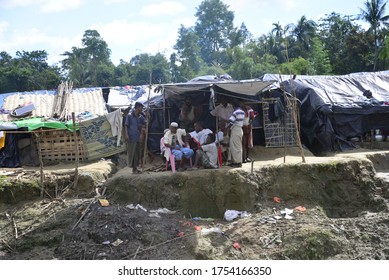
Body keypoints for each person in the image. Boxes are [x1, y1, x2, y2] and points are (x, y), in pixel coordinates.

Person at [124, 102, 146, 174]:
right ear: (137, 107)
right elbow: (126, 126)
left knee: (137, 153)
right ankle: (134, 168)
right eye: (141, 108)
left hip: (138, 137)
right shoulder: (130, 116)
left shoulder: (141, 117)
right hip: (131, 137)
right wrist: (126, 135)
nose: (142, 109)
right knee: (132, 153)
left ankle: (135, 168)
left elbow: (145, 124)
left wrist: (148, 117)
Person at [227, 100, 245, 168]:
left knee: (235, 147)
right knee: (238, 146)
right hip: (239, 129)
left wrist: (221, 117)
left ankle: (237, 162)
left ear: (233, 106)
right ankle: (236, 161)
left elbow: (230, 121)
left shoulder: (235, 112)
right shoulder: (242, 112)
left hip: (236, 130)